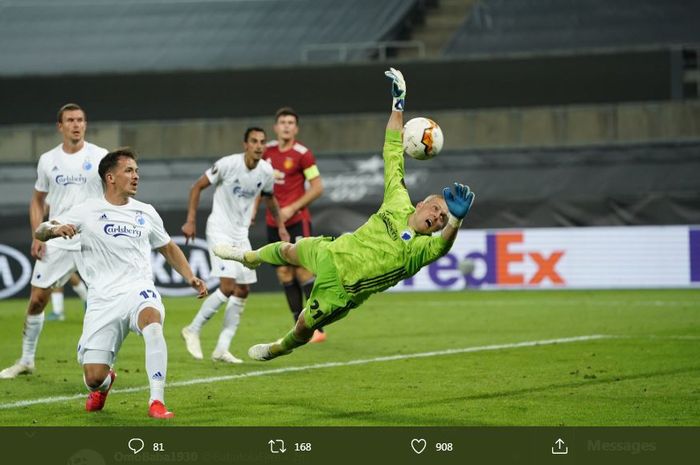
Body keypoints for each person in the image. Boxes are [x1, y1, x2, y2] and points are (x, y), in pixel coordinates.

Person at [214, 68, 475, 361]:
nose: (438, 217)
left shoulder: (420, 248)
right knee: (289, 250)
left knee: (303, 327)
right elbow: (392, 149)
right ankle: (246, 257)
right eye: (437, 209)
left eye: (441, 219)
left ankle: (277, 348)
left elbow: (443, 245)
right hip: (332, 250)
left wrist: (456, 220)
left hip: (341, 291)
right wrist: (397, 105)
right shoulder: (398, 199)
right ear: (420, 204)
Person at [34, 148, 207, 418]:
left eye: (137, 171)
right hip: (102, 300)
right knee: (93, 377)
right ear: (110, 177)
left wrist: (190, 276)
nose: (136, 176)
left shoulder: (146, 212)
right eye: (129, 171)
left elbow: (168, 247)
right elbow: (40, 231)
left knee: (152, 324)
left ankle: (157, 401)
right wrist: (55, 229)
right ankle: (104, 384)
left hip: (138, 289)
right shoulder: (86, 211)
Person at [0, 103, 107, 379]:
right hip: (57, 238)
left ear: (85, 124)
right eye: (70, 120)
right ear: (60, 126)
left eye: (81, 120)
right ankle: (26, 360)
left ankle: (102, 362)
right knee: (36, 300)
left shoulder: (100, 156)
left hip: (91, 240)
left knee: (103, 301)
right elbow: (37, 201)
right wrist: (38, 233)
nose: (76, 124)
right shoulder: (48, 160)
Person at [180, 128, 289, 363]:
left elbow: (270, 199)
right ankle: (192, 329)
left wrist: (281, 226)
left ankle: (222, 348)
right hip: (219, 229)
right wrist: (190, 220)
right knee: (228, 286)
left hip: (241, 235)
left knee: (243, 289)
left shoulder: (266, 171)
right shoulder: (228, 164)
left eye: (262, 142)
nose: (259, 146)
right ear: (245, 145)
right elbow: (197, 186)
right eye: (254, 142)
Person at [262, 107, 326, 342]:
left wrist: (293, 207)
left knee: (302, 270)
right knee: (284, 273)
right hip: (272, 222)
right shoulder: (266, 152)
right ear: (276, 127)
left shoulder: (303, 154)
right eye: (282, 122)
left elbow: (318, 187)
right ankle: (299, 327)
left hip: (297, 222)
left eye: (291, 122)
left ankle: (317, 326)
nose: (286, 126)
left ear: (296, 128)